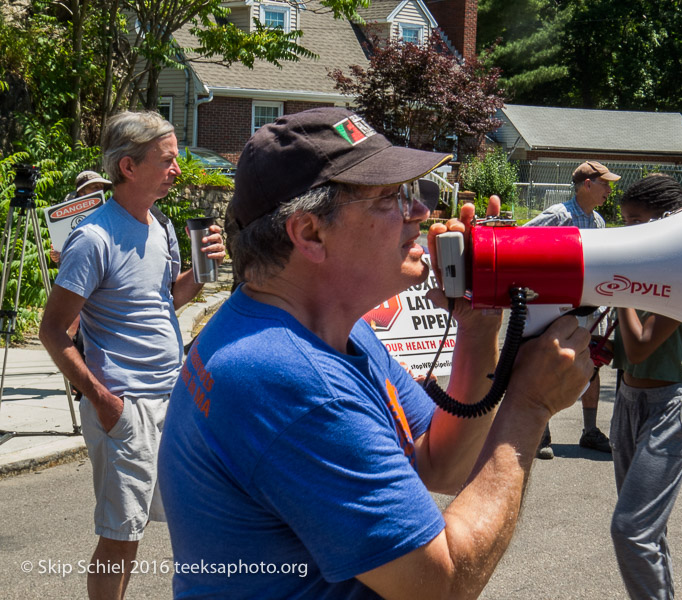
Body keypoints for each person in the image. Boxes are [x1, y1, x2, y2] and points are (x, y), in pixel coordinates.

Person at [157, 107, 594, 599]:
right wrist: (528, 407)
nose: (421, 212)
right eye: (391, 197)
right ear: (310, 234)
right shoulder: (291, 378)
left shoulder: (320, 331)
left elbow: (440, 463)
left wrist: (477, 329)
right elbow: (441, 584)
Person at [38, 110, 225, 600]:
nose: (178, 169)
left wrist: (203, 273)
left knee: (191, 520)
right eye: (167, 160)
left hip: (173, 398)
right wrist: (102, 399)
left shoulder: (161, 226)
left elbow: (164, 301)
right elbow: (52, 329)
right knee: (121, 538)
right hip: (125, 406)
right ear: (128, 167)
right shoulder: (94, 238)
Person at [609, 174, 682, 600]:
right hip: (629, 403)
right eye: (624, 220)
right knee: (648, 530)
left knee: (631, 531)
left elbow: (643, 345)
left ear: (663, 219)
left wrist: (617, 284)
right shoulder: (644, 270)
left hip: (670, 409)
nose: (627, 229)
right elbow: (625, 351)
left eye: (636, 220)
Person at [524, 160, 619, 458]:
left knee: (591, 366)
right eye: (605, 184)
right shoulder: (559, 215)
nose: (609, 189)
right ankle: (541, 431)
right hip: (559, 308)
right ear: (587, 184)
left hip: (589, 306)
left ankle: (589, 431)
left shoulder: (600, 221)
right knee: (552, 364)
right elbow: (522, 240)